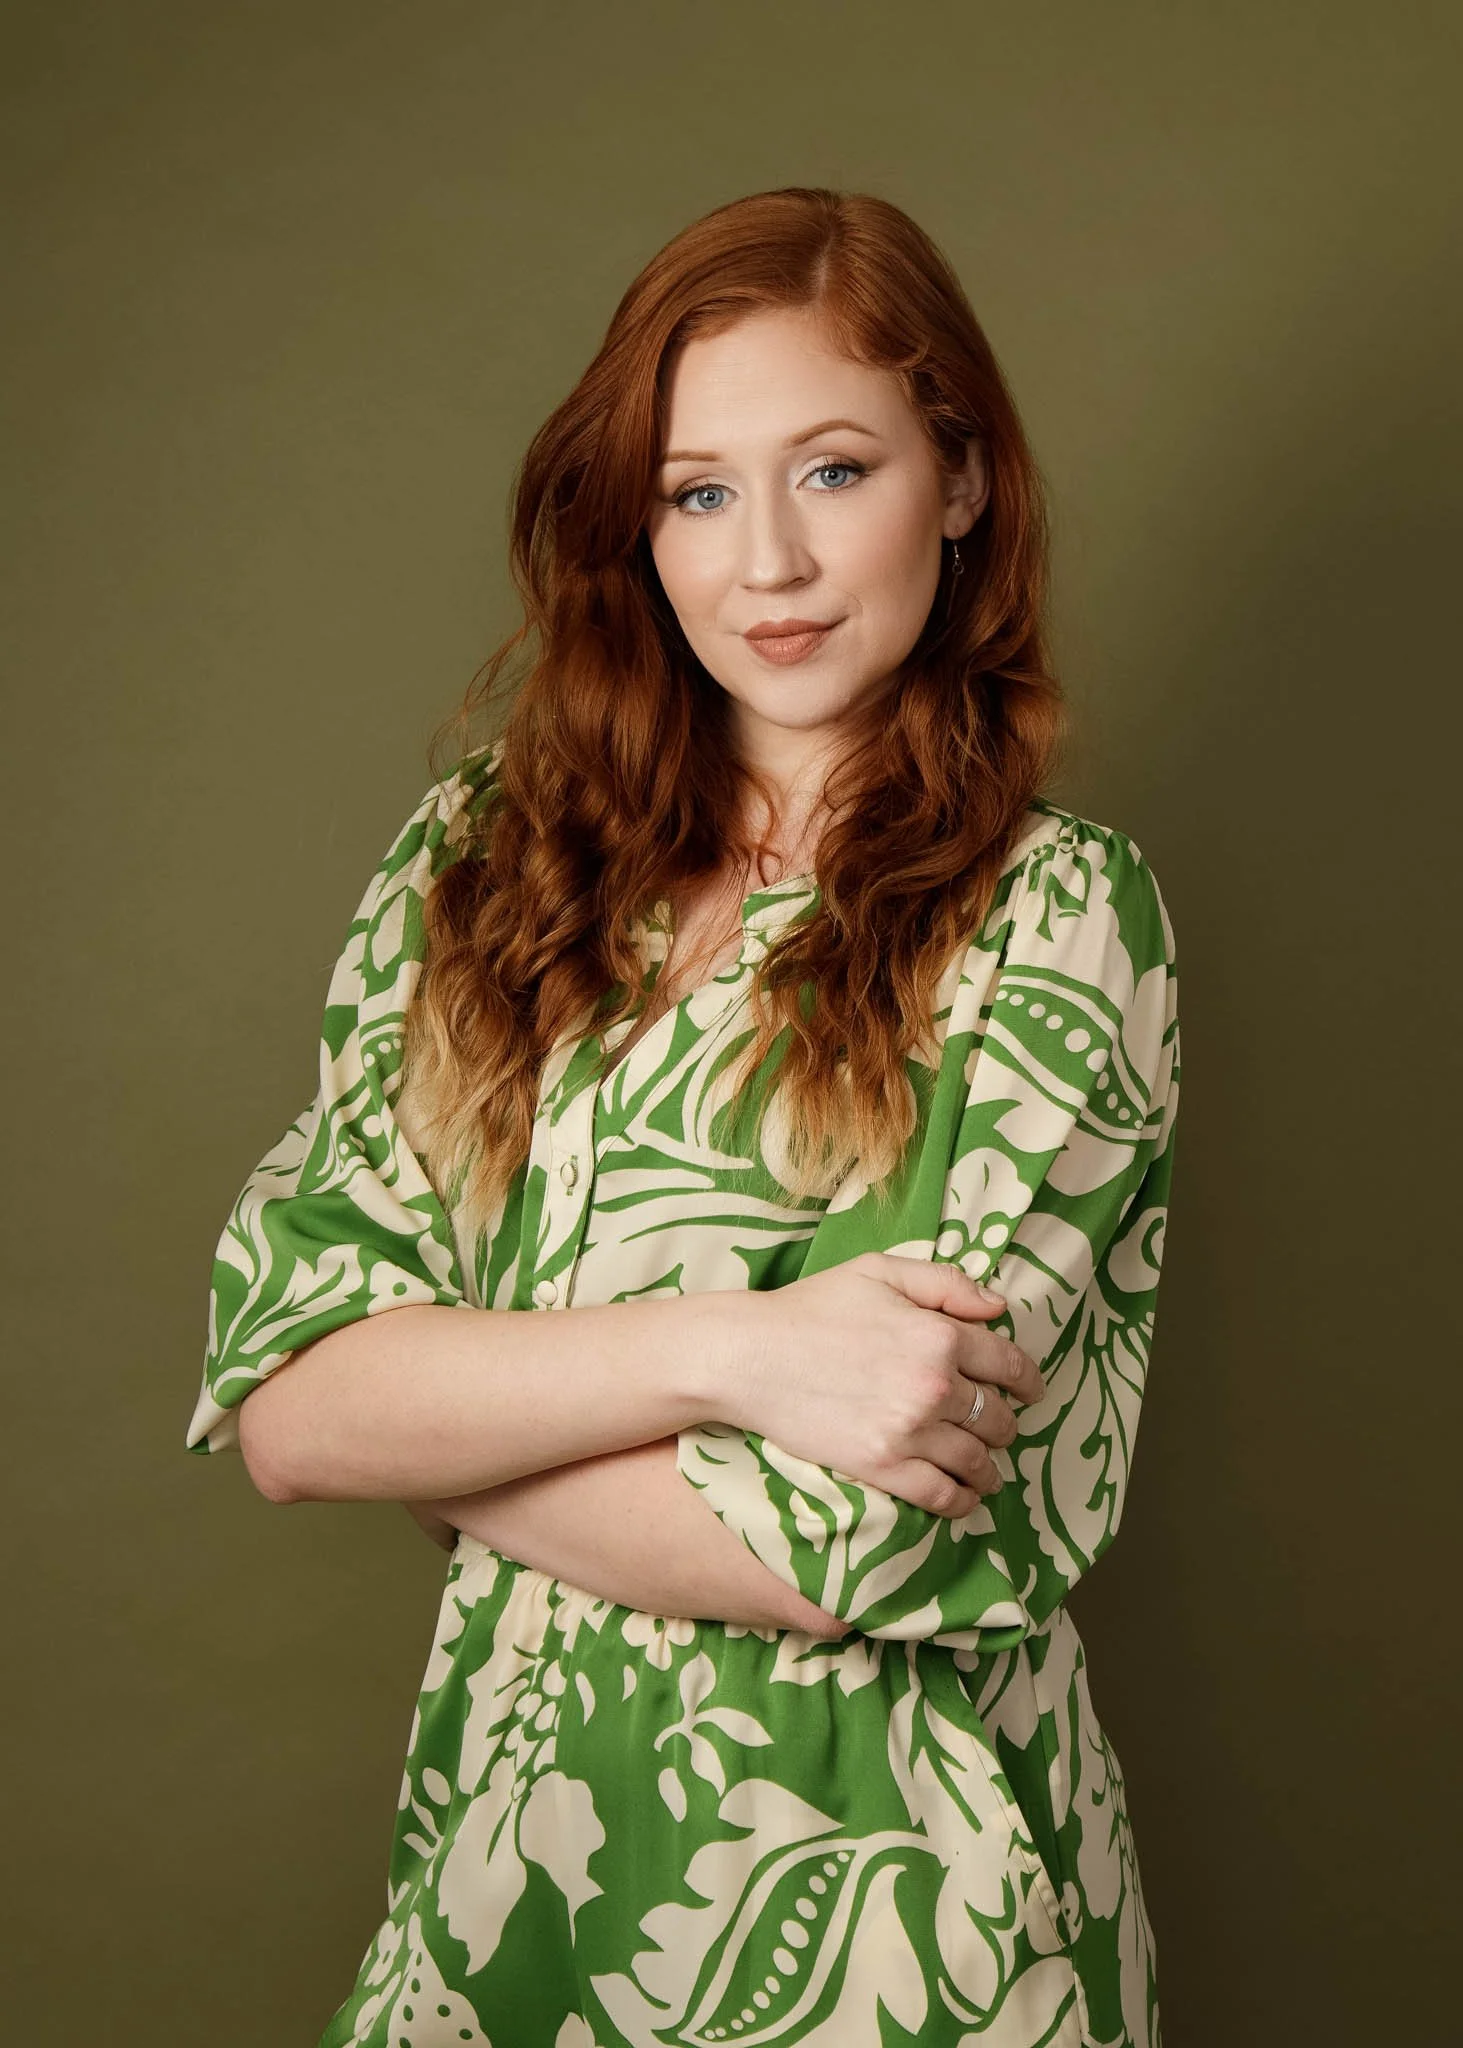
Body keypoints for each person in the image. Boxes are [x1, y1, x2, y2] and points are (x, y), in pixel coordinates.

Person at [185, 186, 1181, 2048]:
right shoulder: (473, 870)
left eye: (835, 469)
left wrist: (454, 1419)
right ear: (633, 527)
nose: (771, 564)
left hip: (910, 1921)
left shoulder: (1056, 916)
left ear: (957, 480)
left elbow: (867, 1546)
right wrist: (740, 1347)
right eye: (698, 492)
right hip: (506, 1895)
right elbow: (291, 1407)